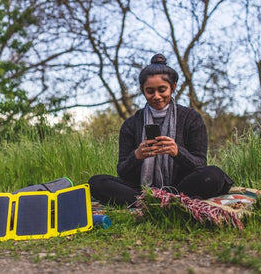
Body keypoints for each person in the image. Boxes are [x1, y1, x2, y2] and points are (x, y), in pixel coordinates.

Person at [88, 53, 233, 206]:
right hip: (140, 189)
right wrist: (136, 156)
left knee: (213, 175)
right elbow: (123, 172)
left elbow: (200, 164)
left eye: (162, 90)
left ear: (173, 87)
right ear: (142, 90)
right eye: (150, 91)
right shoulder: (131, 124)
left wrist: (177, 152)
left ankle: (157, 202)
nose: (156, 96)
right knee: (97, 182)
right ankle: (158, 202)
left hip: (181, 187)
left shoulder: (191, 118)